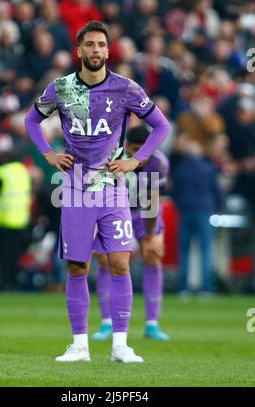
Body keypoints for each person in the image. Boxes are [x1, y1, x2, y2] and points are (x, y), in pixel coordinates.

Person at [25, 20, 170, 363]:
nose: (95, 50)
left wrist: (137, 162)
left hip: (112, 188)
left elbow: (161, 126)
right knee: (78, 267)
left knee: (120, 262)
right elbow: (31, 120)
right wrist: (47, 153)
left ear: (108, 50)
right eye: (89, 44)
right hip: (74, 189)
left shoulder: (126, 89)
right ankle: (79, 346)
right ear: (79, 50)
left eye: (100, 45)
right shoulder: (61, 88)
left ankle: (121, 345)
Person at [92, 125, 170, 341]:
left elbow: (152, 201)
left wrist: (150, 235)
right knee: (107, 262)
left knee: (152, 255)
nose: (140, 156)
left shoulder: (158, 162)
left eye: (144, 149)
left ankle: (152, 324)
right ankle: (107, 322)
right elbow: (101, 196)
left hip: (144, 211)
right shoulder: (112, 161)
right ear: (126, 147)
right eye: (135, 149)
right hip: (117, 209)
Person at [171, 138, 222, 294]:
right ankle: (206, 287)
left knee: (184, 251)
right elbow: (217, 191)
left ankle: (184, 287)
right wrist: (218, 207)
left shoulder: (179, 169)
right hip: (205, 210)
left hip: (185, 211)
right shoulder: (208, 168)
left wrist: (180, 205)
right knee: (206, 250)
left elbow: (174, 193)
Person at [0, 135, 31, 291]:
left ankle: (4, 282)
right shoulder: (23, 171)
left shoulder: (1, 172)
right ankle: (14, 283)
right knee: (15, 255)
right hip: (21, 218)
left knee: (4, 254)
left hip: (5, 218)